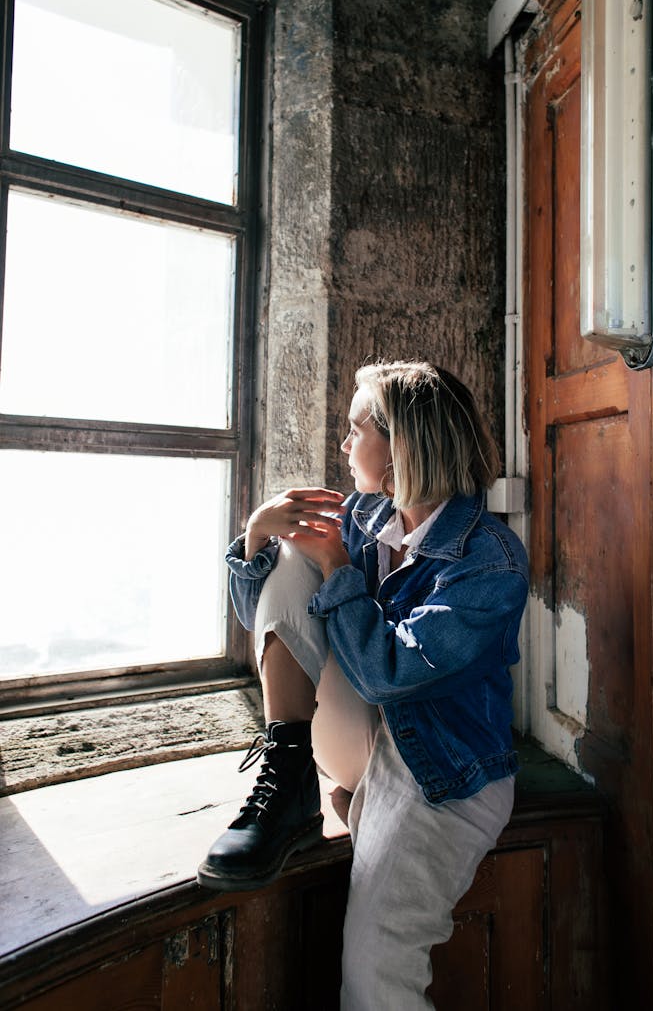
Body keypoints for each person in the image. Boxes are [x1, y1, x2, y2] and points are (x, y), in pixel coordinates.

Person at [197, 360, 529, 1010]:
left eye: (356, 431)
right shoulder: (363, 517)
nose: (344, 446)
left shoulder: (491, 558)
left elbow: (391, 673)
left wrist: (341, 570)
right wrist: (259, 532)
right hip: (362, 738)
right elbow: (272, 622)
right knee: (295, 550)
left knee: (377, 964)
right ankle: (292, 776)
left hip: (445, 768)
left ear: (402, 442)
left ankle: (362, 801)